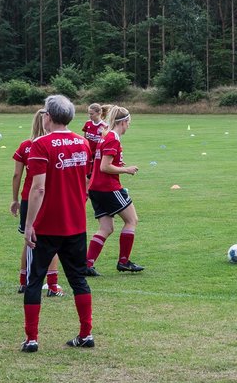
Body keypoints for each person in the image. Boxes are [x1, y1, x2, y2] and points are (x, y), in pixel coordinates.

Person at [20, 94, 95, 351]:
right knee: (79, 281)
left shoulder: (41, 145)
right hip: (75, 224)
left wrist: (29, 225)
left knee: (34, 281)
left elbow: (38, 189)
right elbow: (86, 181)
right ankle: (86, 334)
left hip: (46, 226)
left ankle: (32, 339)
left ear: (47, 117)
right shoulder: (83, 143)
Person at [85, 105, 143, 274]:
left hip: (96, 187)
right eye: (128, 122)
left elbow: (105, 162)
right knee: (132, 220)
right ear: (124, 122)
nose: (129, 126)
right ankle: (123, 262)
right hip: (107, 187)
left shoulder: (106, 136)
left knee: (106, 228)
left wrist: (117, 164)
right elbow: (105, 167)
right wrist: (126, 170)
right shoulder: (113, 138)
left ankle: (87, 265)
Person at [10, 108, 63, 296]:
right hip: (49, 197)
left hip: (27, 198)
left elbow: (17, 174)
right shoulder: (55, 144)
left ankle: (24, 282)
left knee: (28, 240)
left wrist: (15, 199)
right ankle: (52, 286)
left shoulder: (25, 145)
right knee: (52, 241)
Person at [81, 103, 105, 182]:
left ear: (99, 113)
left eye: (92, 114)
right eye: (89, 114)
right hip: (88, 153)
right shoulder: (88, 123)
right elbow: (85, 138)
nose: (90, 116)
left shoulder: (104, 126)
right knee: (87, 173)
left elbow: (106, 142)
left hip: (98, 154)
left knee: (95, 173)